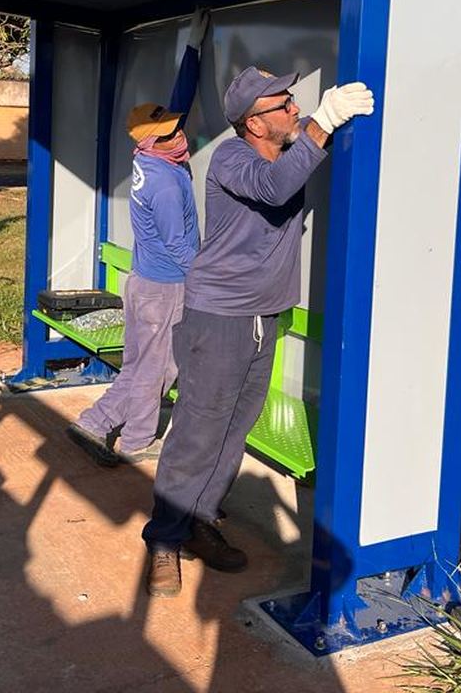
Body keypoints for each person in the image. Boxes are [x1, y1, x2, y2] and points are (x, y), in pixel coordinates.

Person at [142, 66, 373, 598]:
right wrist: (324, 124)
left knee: (235, 428)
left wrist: (327, 121)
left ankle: (200, 520)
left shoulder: (280, 144)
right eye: (284, 105)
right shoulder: (232, 158)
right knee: (200, 430)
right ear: (253, 122)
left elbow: (297, 153)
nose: (296, 109)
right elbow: (274, 188)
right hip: (218, 317)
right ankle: (164, 540)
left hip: (263, 318)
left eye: (294, 101)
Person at [67, 103, 200, 467]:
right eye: (169, 134)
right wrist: (205, 277)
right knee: (158, 369)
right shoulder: (167, 185)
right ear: (153, 142)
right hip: (165, 288)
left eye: (178, 127)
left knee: (138, 366)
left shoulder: (147, 162)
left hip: (143, 282)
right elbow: (176, 244)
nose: (180, 136)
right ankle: (138, 440)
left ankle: (94, 423)